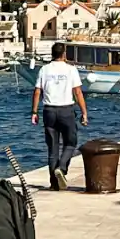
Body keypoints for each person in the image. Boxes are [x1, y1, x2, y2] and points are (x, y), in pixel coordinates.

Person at [30, 42, 88, 191]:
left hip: (49, 111)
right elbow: (78, 92)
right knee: (70, 143)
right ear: (64, 54)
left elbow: (37, 92)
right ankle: (61, 169)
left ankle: (54, 183)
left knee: (52, 148)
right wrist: (84, 112)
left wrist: (34, 112)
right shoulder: (71, 70)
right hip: (66, 111)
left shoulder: (44, 69)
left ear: (52, 53)